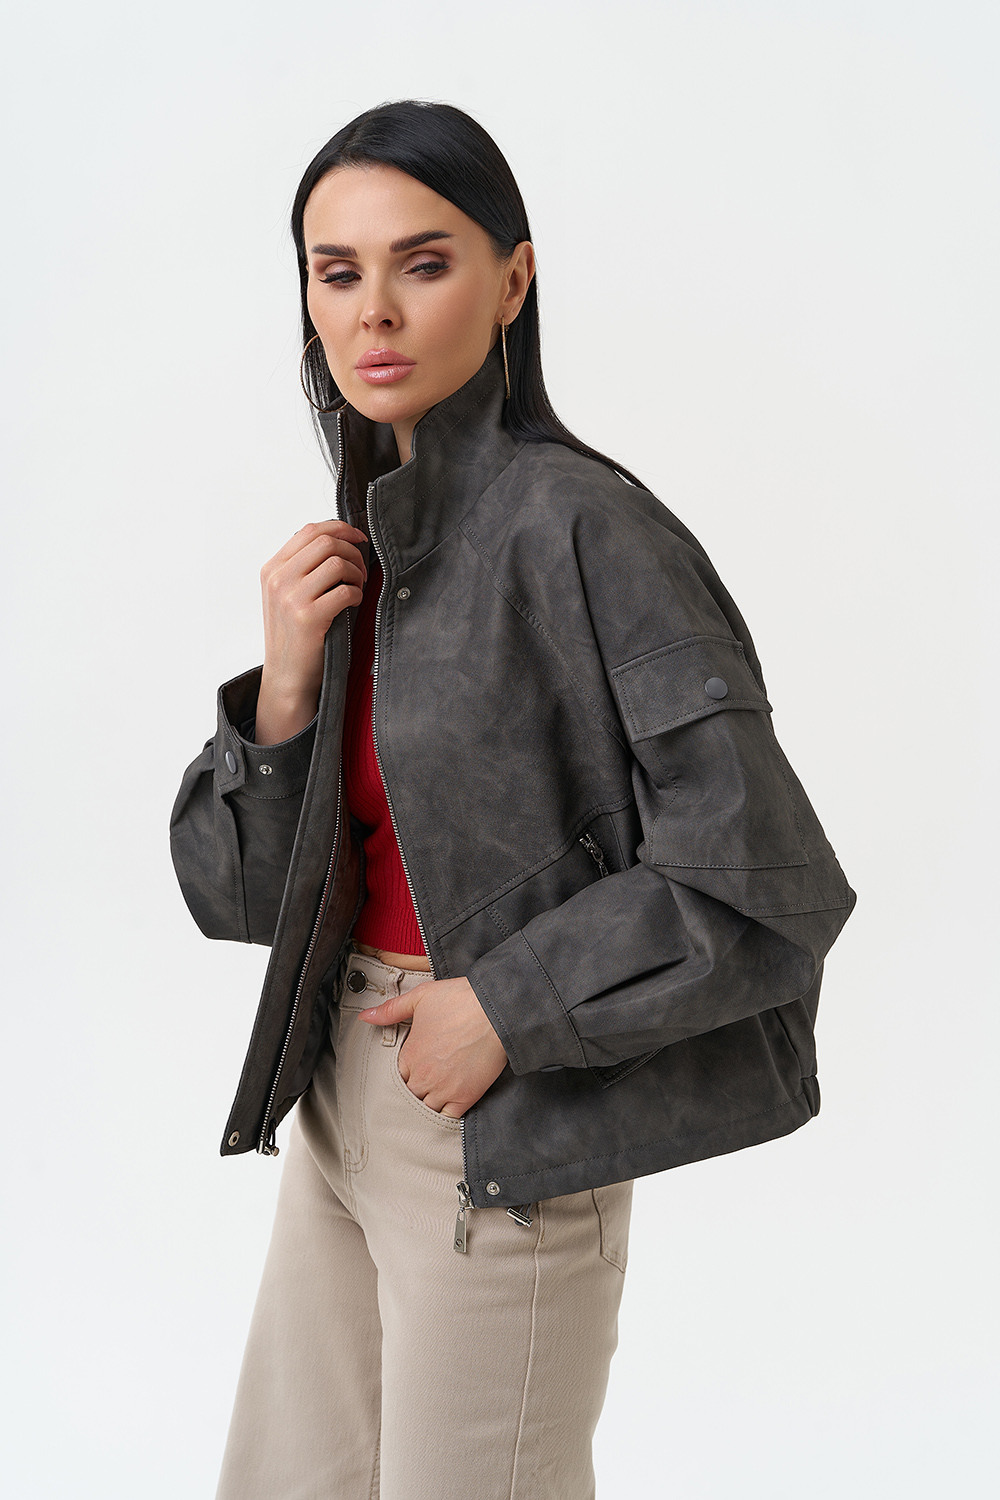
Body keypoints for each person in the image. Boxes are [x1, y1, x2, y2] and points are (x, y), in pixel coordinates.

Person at [170, 100, 856, 1500]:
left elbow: (766, 881)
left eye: (423, 263)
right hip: (340, 1098)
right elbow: (237, 903)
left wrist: (504, 1007)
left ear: (513, 282)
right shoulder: (372, 540)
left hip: (502, 1124)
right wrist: (283, 693)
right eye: (336, 271)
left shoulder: (587, 526)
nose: (373, 312)